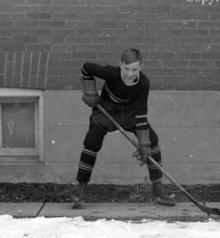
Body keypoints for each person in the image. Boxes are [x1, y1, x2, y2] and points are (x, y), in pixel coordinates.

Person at [73, 48, 175, 209]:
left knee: (152, 140)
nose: (129, 73)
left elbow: (142, 112)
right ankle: (81, 187)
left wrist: (144, 144)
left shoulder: (143, 83)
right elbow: (85, 68)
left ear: (141, 67)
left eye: (134, 69)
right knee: (92, 142)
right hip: (106, 111)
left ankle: (157, 187)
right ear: (120, 65)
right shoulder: (111, 73)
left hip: (130, 114)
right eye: (126, 69)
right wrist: (90, 93)